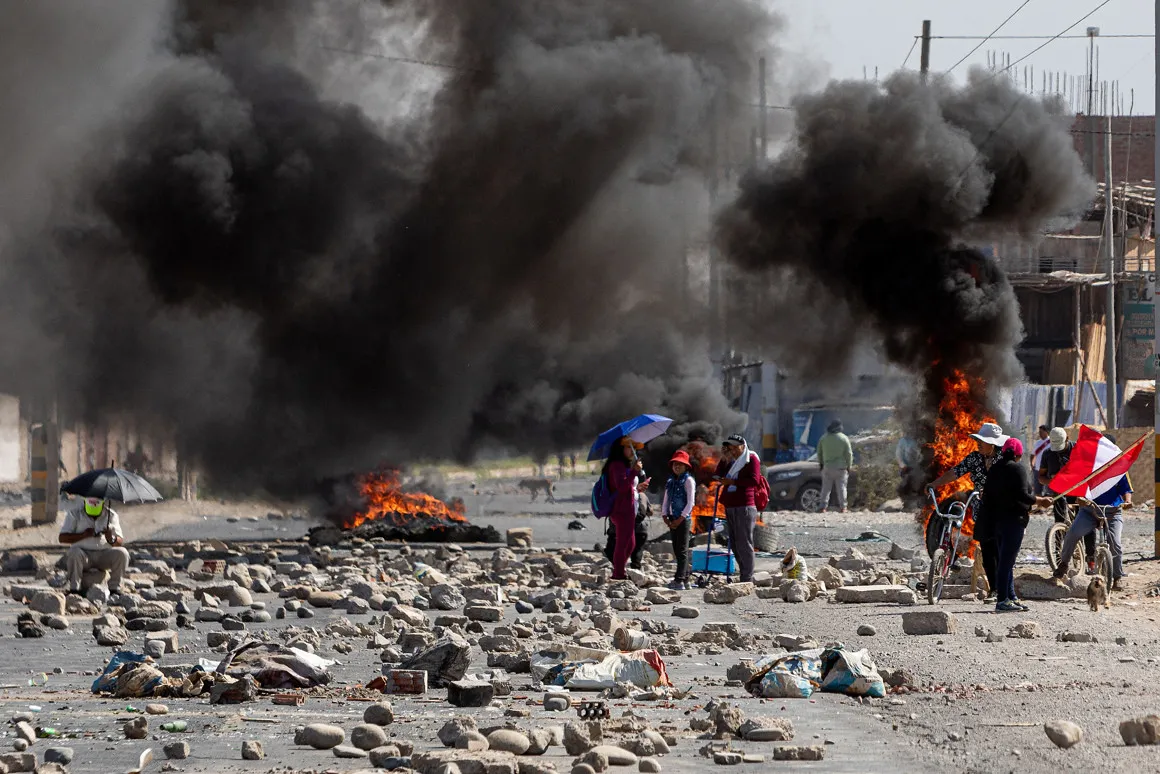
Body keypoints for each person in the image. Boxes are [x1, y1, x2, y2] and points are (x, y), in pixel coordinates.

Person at [929, 422, 1007, 598]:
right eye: (978, 440)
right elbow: (955, 472)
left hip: (1002, 510)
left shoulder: (1004, 459)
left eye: (982, 441)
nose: (978, 443)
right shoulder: (974, 458)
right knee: (987, 549)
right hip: (982, 510)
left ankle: (1006, 591)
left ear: (993, 444)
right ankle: (994, 589)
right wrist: (935, 484)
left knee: (1000, 549)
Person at [1051, 435, 1131, 592]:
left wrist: (1127, 501)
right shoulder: (1089, 467)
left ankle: (1117, 577)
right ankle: (1064, 564)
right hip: (1089, 509)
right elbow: (1079, 487)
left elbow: (1126, 490)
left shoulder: (1119, 468)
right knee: (1073, 533)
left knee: (1115, 544)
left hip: (1112, 512)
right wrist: (1080, 499)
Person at [983, 438, 1052, 612]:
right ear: (1018, 455)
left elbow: (987, 495)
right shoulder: (1018, 469)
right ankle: (1002, 600)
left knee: (1006, 559)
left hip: (995, 521)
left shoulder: (994, 469)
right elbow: (1023, 495)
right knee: (1007, 561)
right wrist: (1040, 500)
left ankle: (1011, 596)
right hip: (1013, 521)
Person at [1039, 426, 1094, 566]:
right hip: (1059, 493)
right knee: (1059, 522)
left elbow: (1090, 471)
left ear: (1067, 439)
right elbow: (1041, 477)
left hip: (1078, 492)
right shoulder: (1047, 454)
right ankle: (1059, 556)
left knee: (1086, 522)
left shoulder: (1078, 450)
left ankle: (1091, 557)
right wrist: (1051, 481)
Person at [713, 434, 760, 583]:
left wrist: (733, 481)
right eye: (730, 447)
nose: (733, 450)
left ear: (742, 446)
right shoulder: (730, 461)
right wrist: (723, 458)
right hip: (731, 505)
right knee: (734, 543)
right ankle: (744, 572)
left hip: (744, 505)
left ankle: (747, 577)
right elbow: (718, 474)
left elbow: (754, 480)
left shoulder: (751, 458)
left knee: (744, 542)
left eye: (735, 447)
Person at [59, 496, 129, 596]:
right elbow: (62, 538)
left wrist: (110, 538)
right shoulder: (74, 514)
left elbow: (119, 542)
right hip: (83, 555)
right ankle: (75, 589)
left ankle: (115, 588)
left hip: (103, 555)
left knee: (122, 553)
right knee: (74, 552)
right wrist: (83, 535)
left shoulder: (111, 515)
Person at [603, 437, 644, 580]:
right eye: (630, 447)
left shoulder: (624, 465)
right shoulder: (616, 465)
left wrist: (638, 487)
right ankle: (618, 574)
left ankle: (620, 569)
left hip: (629, 508)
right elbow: (621, 487)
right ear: (621, 449)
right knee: (623, 543)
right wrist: (634, 471)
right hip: (621, 510)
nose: (633, 451)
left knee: (631, 543)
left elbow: (628, 487)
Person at [661, 450, 696, 590]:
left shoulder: (688, 480)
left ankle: (679, 580)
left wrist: (680, 518)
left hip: (683, 519)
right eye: (675, 464)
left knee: (681, 550)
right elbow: (666, 500)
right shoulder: (670, 481)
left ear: (686, 466)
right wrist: (665, 516)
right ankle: (686, 578)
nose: (677, 466)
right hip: (671, 519)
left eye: (680, 464)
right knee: (677, 549)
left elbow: (690, 503)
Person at [816, 419, 853, 513]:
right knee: (841, 488)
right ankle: (843, 507)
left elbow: (819, 453)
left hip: (827, 467)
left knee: (825, 488)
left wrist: (821, 464)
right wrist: (849, 466)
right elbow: (849, 454)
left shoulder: (824, 438)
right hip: (841, 468)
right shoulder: (844, 438)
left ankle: (823, 507)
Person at [1030, 426, 1050, 495]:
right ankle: (1039, 504)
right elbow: (1032, 454)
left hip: (1048, 470)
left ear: (1046, 432)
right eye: (1039, 432)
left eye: (1041, 432)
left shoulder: (1051, 442)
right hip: (1037, 469)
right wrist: (1032, 464)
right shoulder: (1037, 443)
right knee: (1037, 489)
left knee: (1049, 491)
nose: (1040, 434)